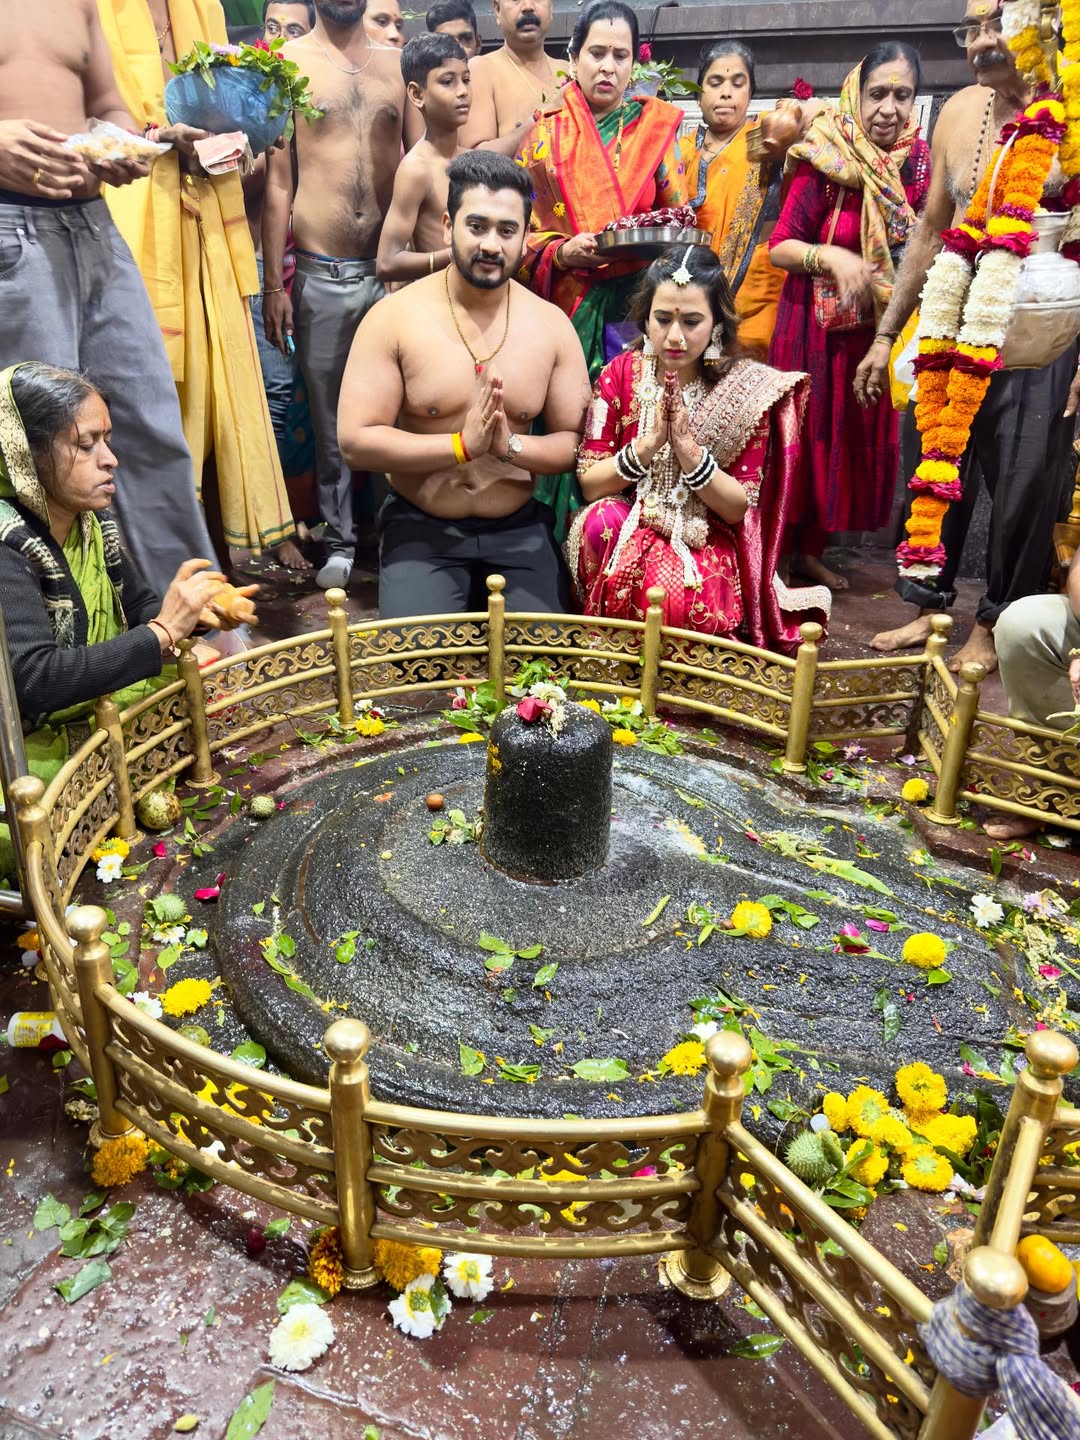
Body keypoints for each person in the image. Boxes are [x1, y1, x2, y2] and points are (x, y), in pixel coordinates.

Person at [863, 1, 1080, 676]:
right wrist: (886, 333)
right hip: (953, 318)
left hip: (1043, 331)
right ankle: (926, 606)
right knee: (929, 459)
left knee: (1024, 483)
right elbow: (931, 231)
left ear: (1042, 22)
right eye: (972, 27)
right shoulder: (958, 111)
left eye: (998, 22)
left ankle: (992, 624)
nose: (983, 40)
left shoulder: (1072, 111)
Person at [0, 363, 253, 873]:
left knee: (210, 678)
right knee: (40, 821)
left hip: (92, 706)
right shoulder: (8, 546)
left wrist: (192, 618)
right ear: (25, 455)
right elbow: (34, 681)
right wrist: (164, 631)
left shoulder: (91, 522)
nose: (110, 460)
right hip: (30, 732)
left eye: (107, 440)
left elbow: (136, 610)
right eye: (86, 444)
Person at [0, 0, 217, 585]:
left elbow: (104, 105)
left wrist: (122, 142)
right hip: (9, 229)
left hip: (94, 225)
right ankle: (58, 641)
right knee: (40, 446)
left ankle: (191, 621)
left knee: (146, 425)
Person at [338, 151, 592, 616]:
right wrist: (460, 446)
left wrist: (508, 446)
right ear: (447, 224)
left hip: (518, 528)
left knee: (543, 673)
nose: (491, 244)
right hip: (422, 527)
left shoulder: (552, 325)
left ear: (526, 236)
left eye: (506, 230)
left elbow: (576, 444)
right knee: (419, 672)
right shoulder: (394, 318)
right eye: (476, 226)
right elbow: (356, 441)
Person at [97, 0, 302, 569]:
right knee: (145, 395)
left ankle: (211, 564)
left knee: (220, 390)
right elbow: (84, 123)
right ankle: (147, 572)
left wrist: (246, 135)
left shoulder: (203, 9)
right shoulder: (93, 10)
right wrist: (161, 137)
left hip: (207, 217)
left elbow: (227, 125)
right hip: (132, 223)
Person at [569, 245, 829, 650]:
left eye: (692, 322)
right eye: (662, 320)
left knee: (677, 599)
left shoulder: (744, 388)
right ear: (645, 318)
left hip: (705, 531)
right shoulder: (620, 373)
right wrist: (649, 445)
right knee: (598, 521)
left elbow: (737, 506)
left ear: (717, 325)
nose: (674, 337)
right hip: (628, 516)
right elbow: (590, 483)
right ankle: (613, 653)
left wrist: (689, 451)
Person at [264, 0, 423, 591]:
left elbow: (422, 164)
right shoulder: (288, 65)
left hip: (391, 275)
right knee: (328, 415)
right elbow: (279, 181)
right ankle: (340, 539)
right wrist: (271, 284)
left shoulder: (396, 65)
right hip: (319, 272)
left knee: (398, 410)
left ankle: (397, 531)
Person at [514, 0, 687, 535]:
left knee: (630, 422)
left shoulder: (656, 131)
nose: (608, 66)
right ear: (573, 56)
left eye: (621, 55)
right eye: (597, 53)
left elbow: (678, 220)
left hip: (637, 312)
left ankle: (622, 543)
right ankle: (557, 540)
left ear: (636, 63)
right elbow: (518, 233)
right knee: (566, 419)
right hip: (565, 305)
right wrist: (562, 252)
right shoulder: (543, 135)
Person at [768, 42, 930, 593]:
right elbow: (780, 247)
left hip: (874, 332)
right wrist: (831, 256)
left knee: (846, 435)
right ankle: (773, 556)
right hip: (810, 331)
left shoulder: (916, 164)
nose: (888, 108)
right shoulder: (826, 154)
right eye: (878, 94)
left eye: (901, 95)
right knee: (803, 437)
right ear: (856, 96)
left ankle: (809, 553)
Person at [245, 0, 317, 569]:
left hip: (300, 271)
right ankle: (268, 532)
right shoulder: (245, 92)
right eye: (273, 27)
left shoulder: (307, 102)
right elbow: (263, 188)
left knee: (290, 403)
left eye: (295, 30)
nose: (280, 40)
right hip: (248, 271)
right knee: (266, 398)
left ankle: (284, 521)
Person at [679, 41, 786, 359]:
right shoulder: (682, 151)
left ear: (750, 93)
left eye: (738, 83)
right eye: (715, 83)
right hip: (691, 299)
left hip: (756, 303)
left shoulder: (767, 143)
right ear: (699, 94)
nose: (726, 92)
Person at [377, 35, 471, 284]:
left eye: (466, 79)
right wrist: (457, 255)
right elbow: (387, 262)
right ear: (417, 94)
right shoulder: (416, 169)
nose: (463, 91)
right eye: (448, 82)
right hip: (436, 302)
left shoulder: (472, 161)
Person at [458, 0, 562, 150]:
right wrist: (537, 121)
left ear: (551, 6)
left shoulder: (570, 71)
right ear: (497, 9)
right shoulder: (481, 70)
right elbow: (476, 160)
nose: (528, 6)